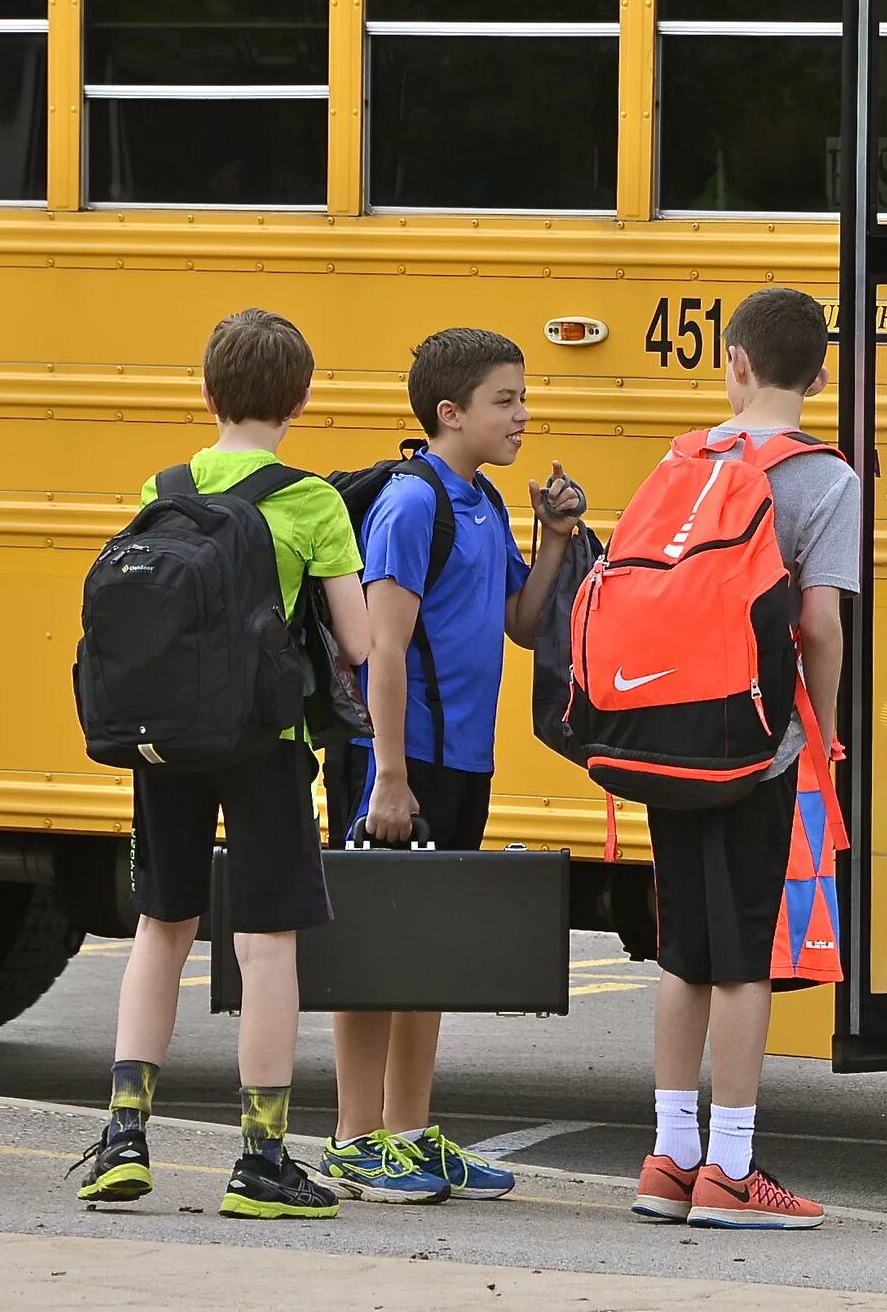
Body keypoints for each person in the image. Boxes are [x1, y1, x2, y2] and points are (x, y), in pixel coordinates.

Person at [73, 309, 369, 1220]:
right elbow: (357, 641)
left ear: (206, 393)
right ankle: (262, 1158)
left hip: (164, 742)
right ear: (302, 398)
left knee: (162, 925)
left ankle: (124, 1136)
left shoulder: (163, 486)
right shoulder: (311, 499)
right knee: (265, 941)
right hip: (263, 743)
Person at [327, 327, 587, 1203]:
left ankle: (410, 1132)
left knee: (425, 953)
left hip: (462, 763)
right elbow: (383, 650)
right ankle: (356, 1138)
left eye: (523, 398)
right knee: (373, 954)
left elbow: (519, 620)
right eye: (505, 400)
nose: (523, 415)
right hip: (397, 762)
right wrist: (390, 778)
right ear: (452, 413)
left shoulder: (480, 501)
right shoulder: (412, 504)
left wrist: (553, 539)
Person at [632, 287, 857, 1232]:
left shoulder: (685, 457)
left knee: (683, 948)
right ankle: (732, 1167)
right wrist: (827, 736)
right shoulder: (826, 480)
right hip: (758, 747)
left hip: (666, 736)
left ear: (733, 363)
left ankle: (669, 1155)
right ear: (818, 375)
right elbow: (820, 624)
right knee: (746, 959)